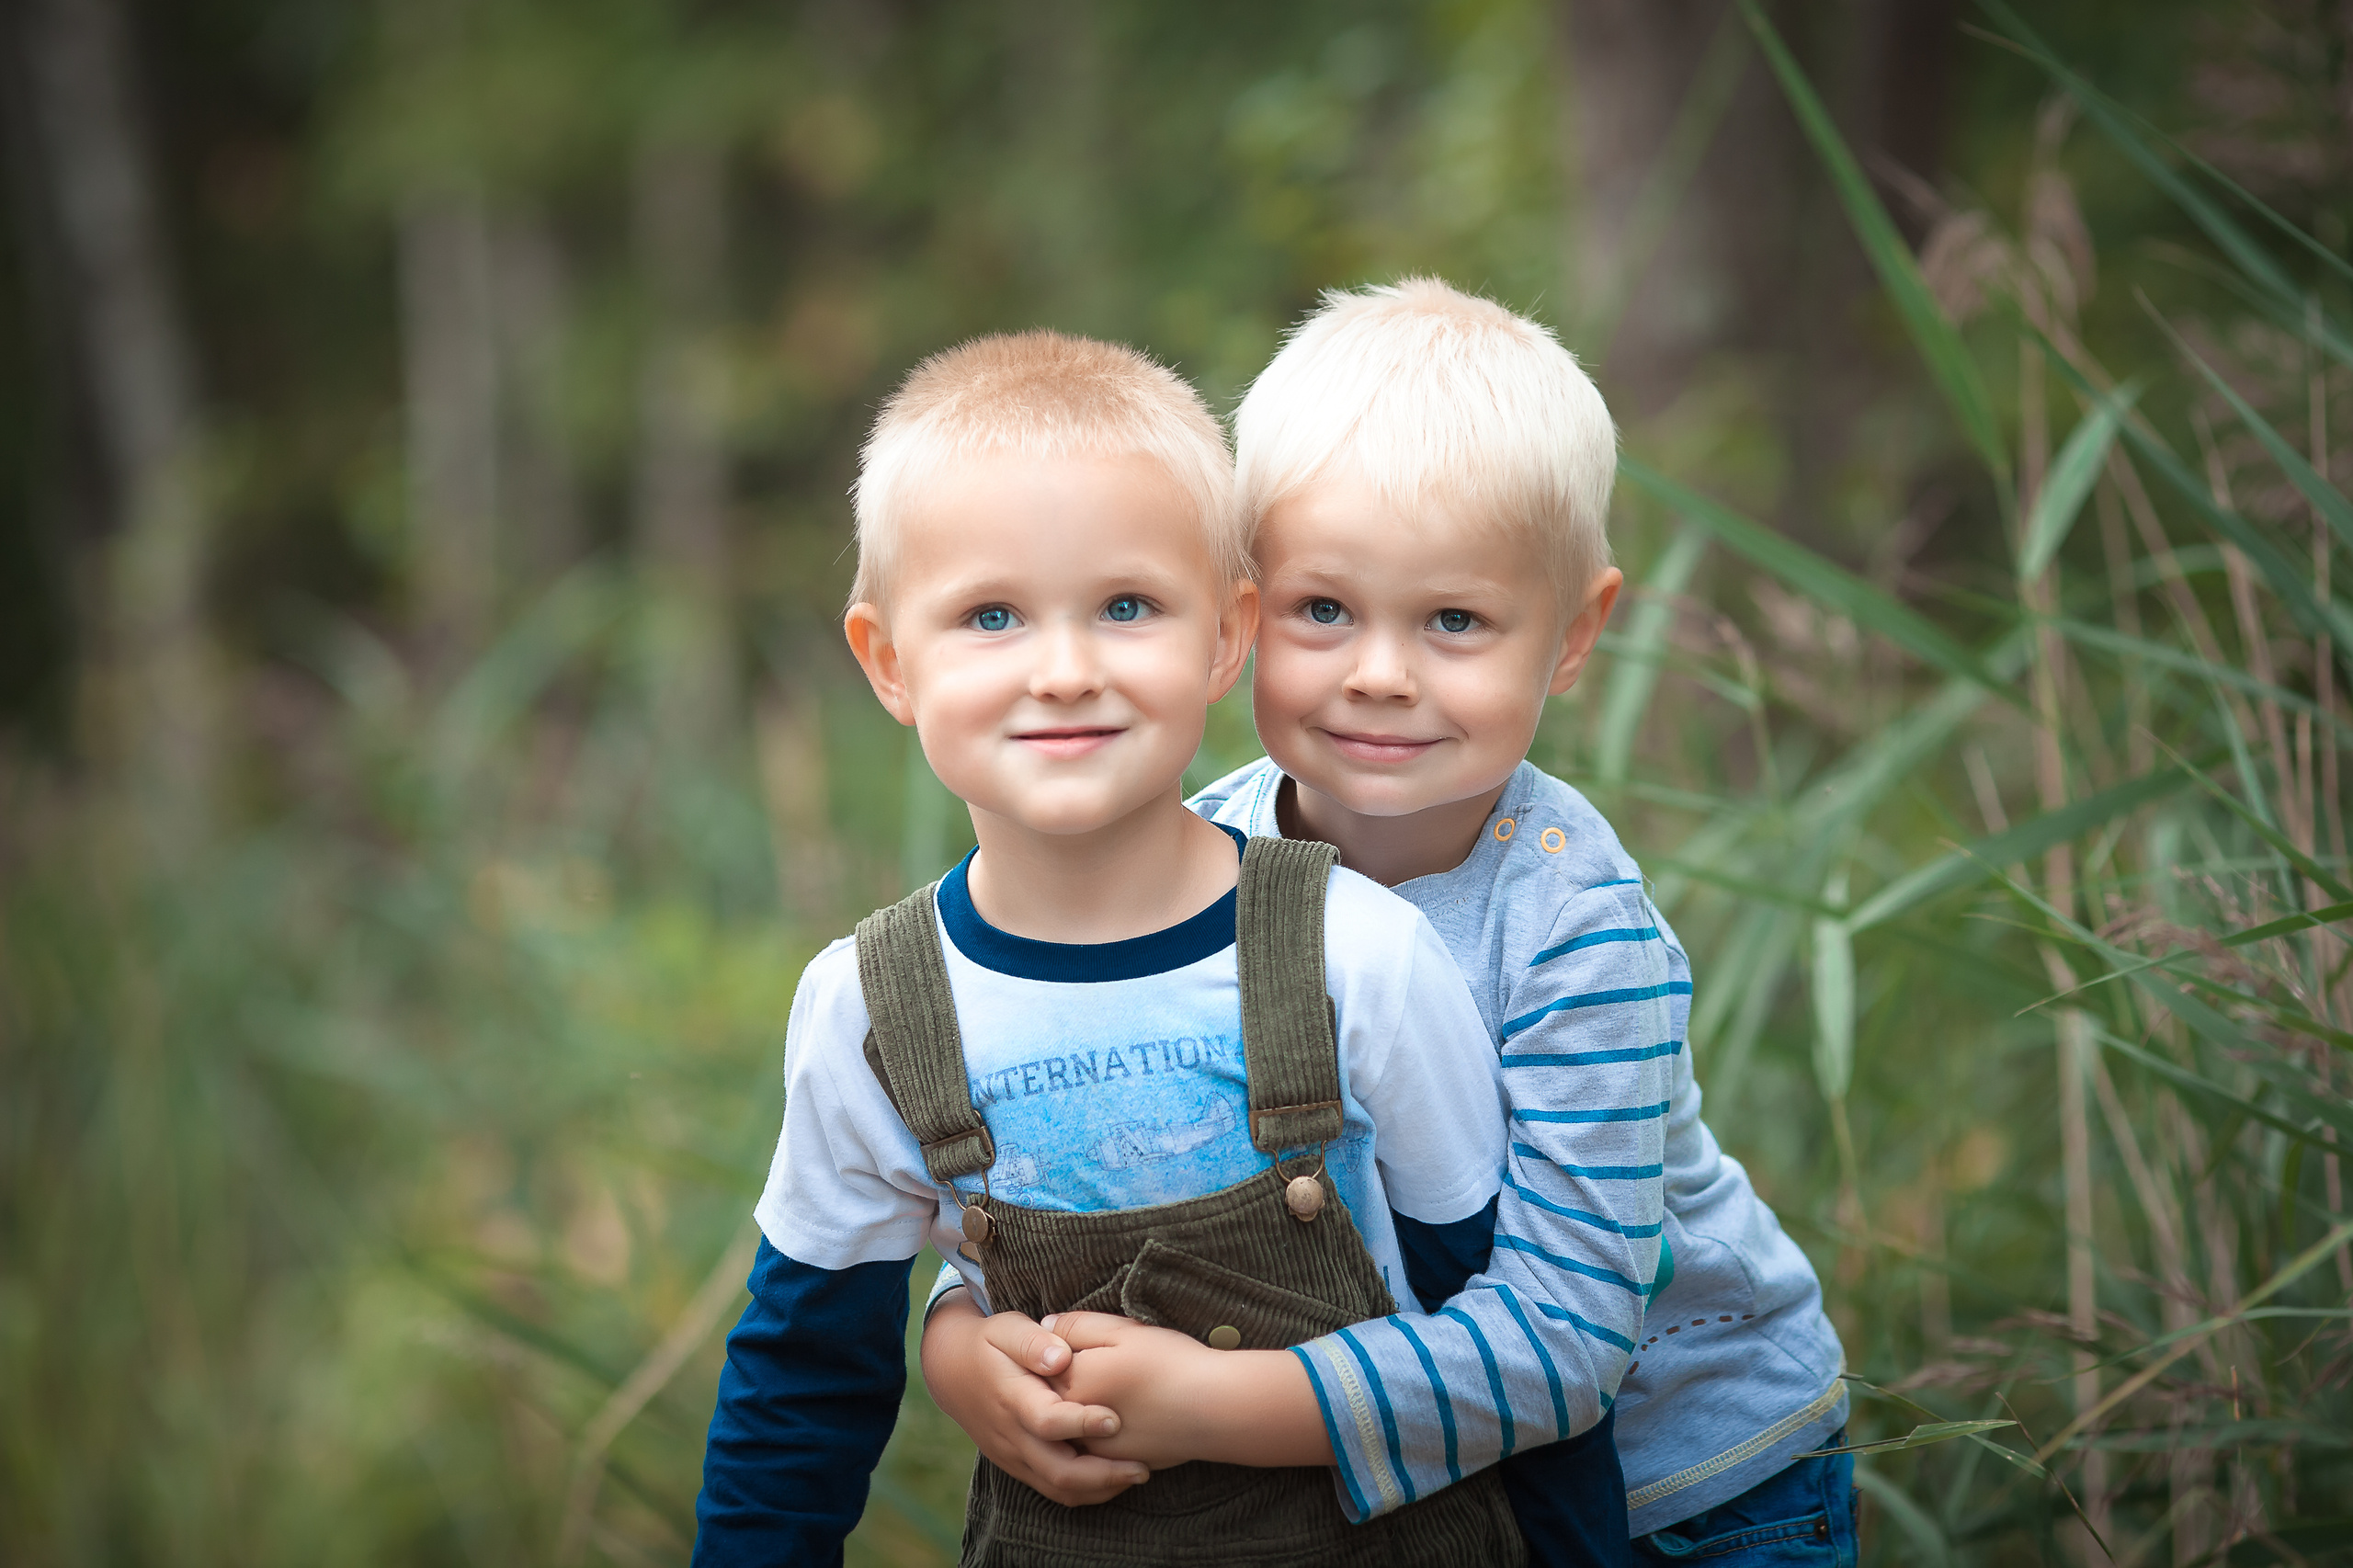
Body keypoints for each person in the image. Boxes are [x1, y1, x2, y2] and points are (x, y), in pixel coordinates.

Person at [923, 280, 1859, 1565]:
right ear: (1241, 610)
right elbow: (1065, 1132)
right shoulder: (1189, 862)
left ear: (1575, 634)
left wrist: (1206, 1403)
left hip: (1686, 1487)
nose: (1380, 671)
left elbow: (1567, 1347)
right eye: (1325, 609)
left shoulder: (1570, 928)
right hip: (1384, 1489)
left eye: (1456, 620)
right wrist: (965, 1340)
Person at [690, 328, 1542, 1567]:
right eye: (990, 615)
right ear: (888, 661)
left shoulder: (1359, 956)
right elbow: (801, 1386)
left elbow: (1504, 1344)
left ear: (1224, 637)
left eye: (1127, 605)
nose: (1065, 669)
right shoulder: (868, 1009)